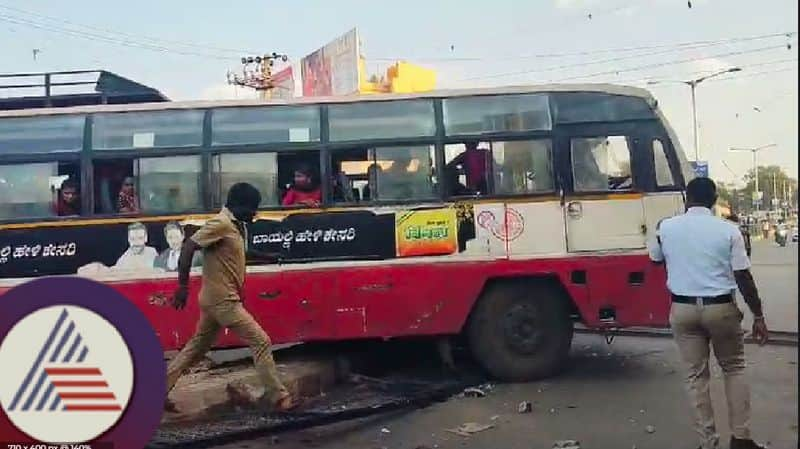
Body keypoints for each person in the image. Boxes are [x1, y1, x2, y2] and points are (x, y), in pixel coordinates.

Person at [648, 177, 769, 449]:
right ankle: (741, 439)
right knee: (734, 368)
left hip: (683, 309)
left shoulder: (665, 228)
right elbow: (743, 276)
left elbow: (655, 259)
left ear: (686, 199)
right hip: (721, 308)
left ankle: (708, 442)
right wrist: (758, 316)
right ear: (714, 201)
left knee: (696, 377)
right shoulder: (729, 230)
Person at [166, 182, 294, 412]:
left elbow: (237, 254)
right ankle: (278, 397)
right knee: (261, 341)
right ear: (237, 206)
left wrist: (268, 257)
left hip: (215, 298)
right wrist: (182, 287)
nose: (254, 213)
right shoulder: (220, 223)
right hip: (222, 300)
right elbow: (188, 248)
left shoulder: (235, 226)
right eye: (251, 208)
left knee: (196, 348)